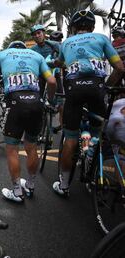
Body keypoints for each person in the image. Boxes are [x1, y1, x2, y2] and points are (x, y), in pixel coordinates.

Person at [53, 10, 125, 197]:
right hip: (97, 89)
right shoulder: (101, 38)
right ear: (92, 27)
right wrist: (107, 88)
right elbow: (119, 68)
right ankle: (92, 158)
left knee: (70, 139)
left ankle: (64, 186)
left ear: (74, 27)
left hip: (74, 91)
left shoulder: (66, 42)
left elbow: (60, 64)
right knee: (97, 133)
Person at [0, 40, 57, 202]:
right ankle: (30, 186)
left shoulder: (2, 55)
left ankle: (17, 192)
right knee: (31, 147)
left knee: (12, 149)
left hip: (15, 103)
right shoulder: (36, 55)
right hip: (36, 103)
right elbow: (51, 81)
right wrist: (50, 101)